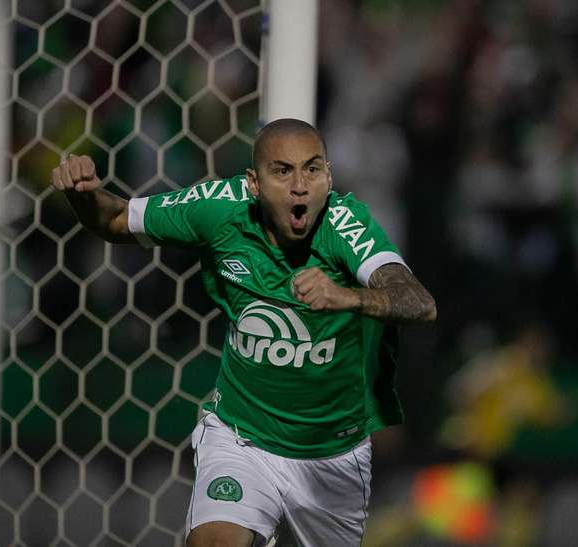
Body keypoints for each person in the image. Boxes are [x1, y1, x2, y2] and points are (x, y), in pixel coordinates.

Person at [52, 118, 437, 547]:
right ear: (254, 182)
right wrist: (82, 196)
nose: (299, 186)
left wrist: (350, 298)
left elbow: (418, 303)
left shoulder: (347, 225)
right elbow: (117, 219)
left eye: (312, 169)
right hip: (242, 438)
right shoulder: (219, 207)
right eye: (282, 171)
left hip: (333, 456)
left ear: (328, 174)